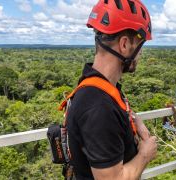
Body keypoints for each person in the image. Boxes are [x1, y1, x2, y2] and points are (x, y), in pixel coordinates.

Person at [66, 0, 157, 179]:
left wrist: (133, 126)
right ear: (124, 45)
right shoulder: (98, 106)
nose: (140, 54)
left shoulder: (98, 88)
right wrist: (145, 154)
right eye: (140, 47)